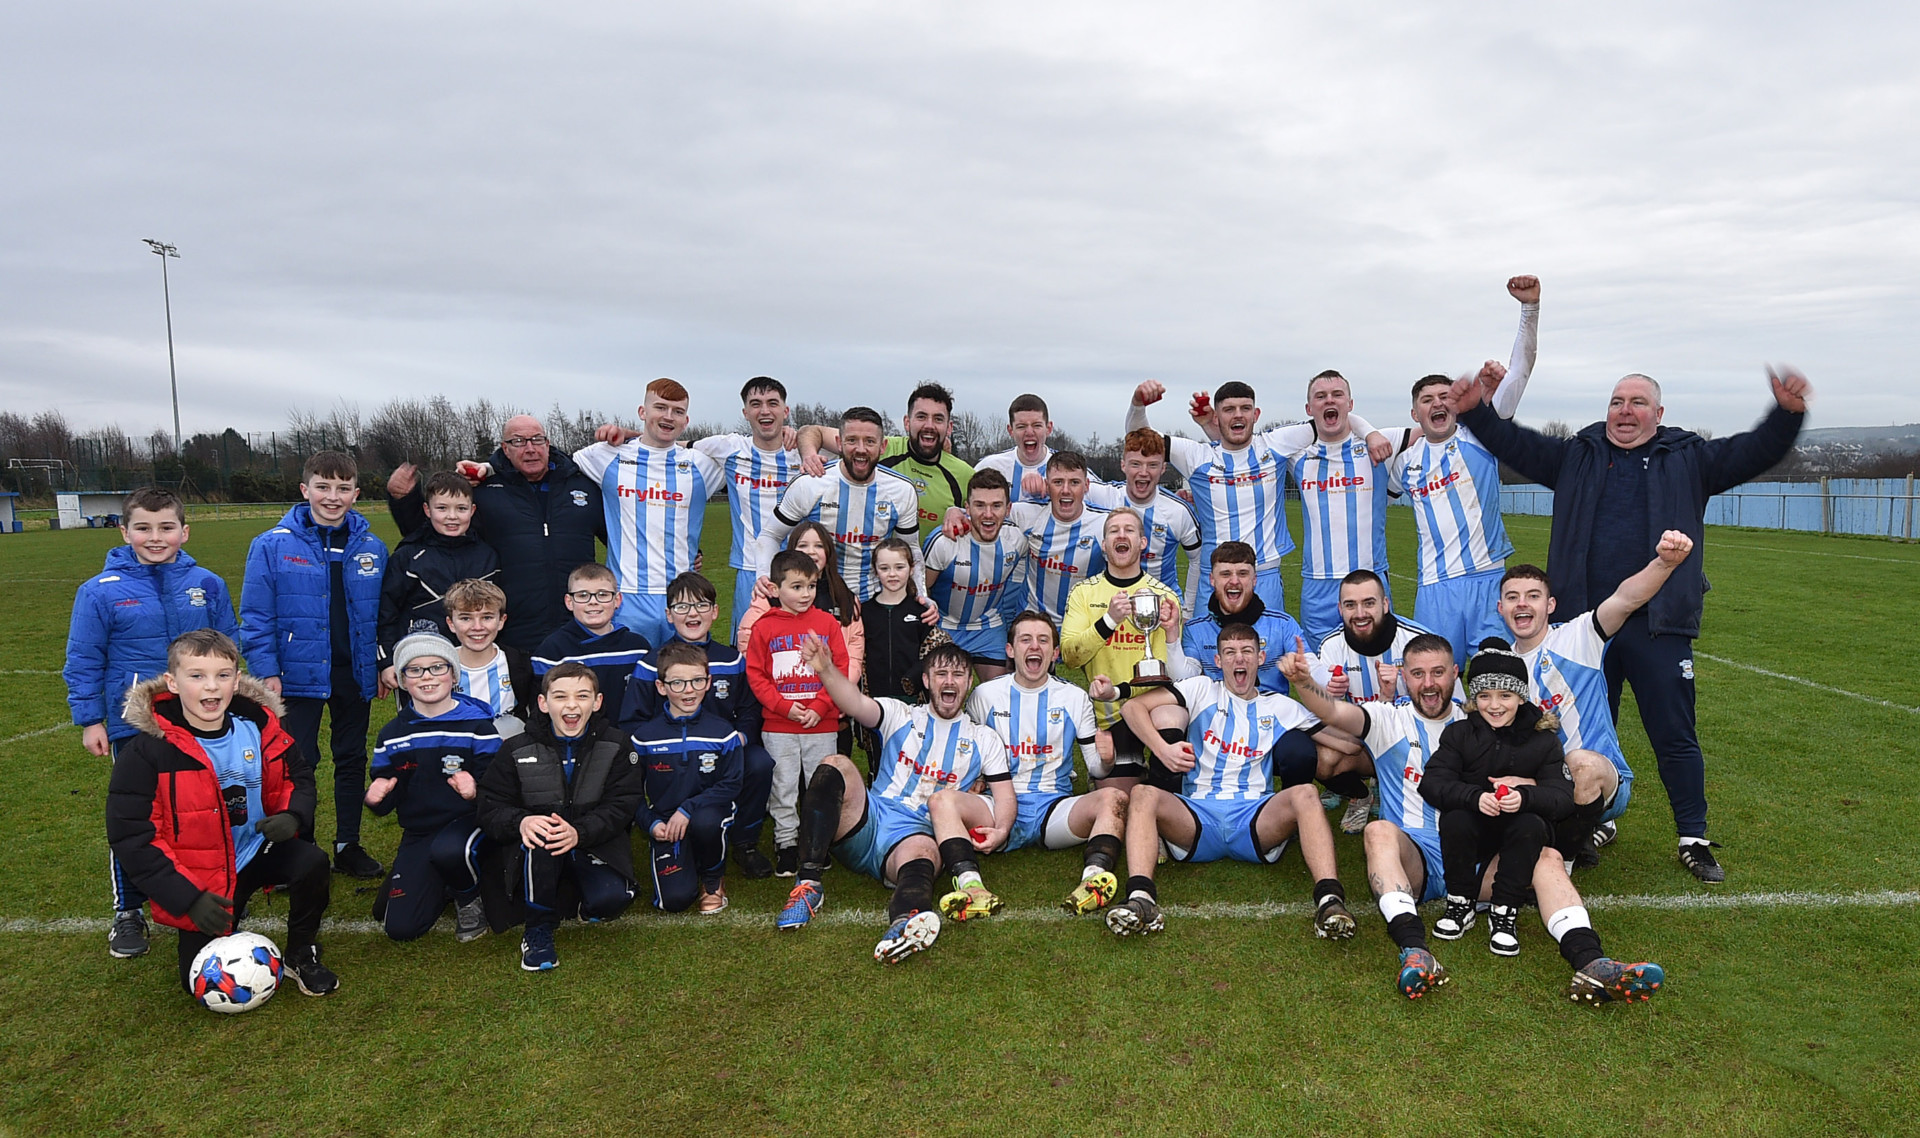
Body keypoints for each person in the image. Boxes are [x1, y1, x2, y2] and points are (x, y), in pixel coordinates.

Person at [1453, 362, 1811, 882]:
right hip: (1583, 627)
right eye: (1617, 402)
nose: (1625, 411)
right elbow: (1517, 444)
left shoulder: (1689, 457)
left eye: (1638, 402)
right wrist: (1477, 411)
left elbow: (1751, 451)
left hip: (1657, 623)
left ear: (1658, 414)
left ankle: (1693, 834)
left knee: (1673, 733)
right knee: (1583, 733)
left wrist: (1786, 416)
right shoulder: (1578, 455)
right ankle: (1591, 819)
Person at [106, 629, 339, 998]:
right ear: (173, 682)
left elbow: (300, 776)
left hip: (254, 852)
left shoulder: (261, 728)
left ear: (237, 679)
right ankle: (217, 919)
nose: (211, 688)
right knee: (196, 983)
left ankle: (301, 951)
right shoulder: (147, 752)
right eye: (197, 676)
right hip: (201, 876)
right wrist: (187, 897)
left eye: (223, 675)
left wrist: (293, 816)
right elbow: (133, 836)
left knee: (311, 861)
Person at [65, 485, 240, 960]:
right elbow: (83, 658)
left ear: (184, 531)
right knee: (139, 817)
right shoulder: (99, 591)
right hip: (135, 724)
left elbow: (229, 646)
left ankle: (206, 887)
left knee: (200, 808)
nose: (155, 537)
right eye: (143, 527)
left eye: (166, 527)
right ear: (124, 531)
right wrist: (90, 719)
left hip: (201, 717)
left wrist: (234, 698)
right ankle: (128, 911)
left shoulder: (207, 582)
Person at [773, 636, 1012, 966]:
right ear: (926, 681)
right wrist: (826, 670)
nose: (949, 681)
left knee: (926, 851)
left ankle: (904, 923)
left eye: (958, 675)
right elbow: (855, 703)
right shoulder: (901, 714)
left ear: (969, 682)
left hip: (912, 841)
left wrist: (1002, 829)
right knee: (835, 764)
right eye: (941, 674)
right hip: (868, 820)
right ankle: (808, 885)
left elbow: (1004, 796)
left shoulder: (983, 739)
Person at [1104, 624, 1348, 939]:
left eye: (1247, 651)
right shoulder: (1201, 688)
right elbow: (1133, 707)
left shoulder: (1280, 706)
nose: (1238, 660)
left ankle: (1330, 901)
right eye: (1230, 653)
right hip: (1196, 817)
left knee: (1305, 794)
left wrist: (1306, 684)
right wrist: (1163, 750)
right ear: (1218, 661)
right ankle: (1141, 898)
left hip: (1255, 818)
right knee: (1143, 794)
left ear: (1261, 658)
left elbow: (1349, 743)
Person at [1496, 531, 1697, 869]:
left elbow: (1625, 599)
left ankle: (1565, 859)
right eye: (1513, 597)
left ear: (1550, 605)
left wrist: (1664, 563)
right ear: (1501, 608)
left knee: (1581, 763)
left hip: (1600, 778)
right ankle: (1563, 836)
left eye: (1533, 596)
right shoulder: (1501, 669)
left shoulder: (1577, 637)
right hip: (1541, 786)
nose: (1523, 604)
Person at [1280, 631, 1465, 998]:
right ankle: (1415, 950)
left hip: (1474, 856)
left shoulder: (1477, 722)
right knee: (1379, 831)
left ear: (1455, 673)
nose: (1428, 684)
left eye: (1438, 673)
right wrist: (1303, 682)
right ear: (1404, 675)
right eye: (1417, 674)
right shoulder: (1387, 720)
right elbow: (1333, 711)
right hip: (1417, 858)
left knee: (1545, 858)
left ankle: (1590, 958)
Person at [240, 450, 388, 881]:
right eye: (323, 487)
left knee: (351, 758)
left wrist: (379, 664)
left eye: (343, 488)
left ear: (356, 494)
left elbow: (381, 616)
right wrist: (267, 670)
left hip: (353, 673)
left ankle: (348, 844)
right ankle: (298, 850)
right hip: (294, 676)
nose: (332, 496)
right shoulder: (271, 545)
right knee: (297, 762)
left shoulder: (371, 548)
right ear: (305, 490)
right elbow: (256, 614)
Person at [1126, 380, 1388, 614]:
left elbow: (1333, 418)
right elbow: (1138, 438)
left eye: (1245, 408)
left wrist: (1371, 433)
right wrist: (1138, 404)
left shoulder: (1274, 444)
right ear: (1216, 418)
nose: (1238, 415)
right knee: (1211, 661)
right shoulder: (1197, 456)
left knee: (1267, 657)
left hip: (1264, 575)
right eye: (1229, 410)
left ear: (1256, 414)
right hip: (1214, 577)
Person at [1386, 275, 1540, 663]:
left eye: (1444, 396)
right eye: (1426, 399)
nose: (1437, 404)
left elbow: (1521, 370)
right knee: (1433, 682)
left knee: (1502, 679)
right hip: (1436, 590)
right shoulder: (1403, 462)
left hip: (1489, 582)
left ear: (1456, 403)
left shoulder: (1480, 437)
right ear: (1415, 413)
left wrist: (1529, 309)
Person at [934, 611, 1127, 919]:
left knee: (1115, 798)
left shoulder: (1074, 697)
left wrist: (1106, 759)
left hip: (1054, 809)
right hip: (995, 805)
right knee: (941, 800)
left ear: (1054, 653)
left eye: (1043, 640)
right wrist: (977, 779)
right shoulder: (985, 695)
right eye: (1025, 640)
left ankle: (1093, 881)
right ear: (1010, 650)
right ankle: (971, 888)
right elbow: (966, 750)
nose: (1034, 647)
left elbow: (1096, 771)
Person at [388, 413, 605, 653]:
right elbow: (436, 534)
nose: (530, 448)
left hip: (580, 626)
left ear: (548, 443)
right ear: (505, 448)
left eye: (536, 439)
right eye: (518, 441)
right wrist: (404, 501)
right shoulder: (484, 491)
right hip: (513, 632)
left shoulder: (584, 486)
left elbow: (622, 537)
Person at [477, 662, 644, 972]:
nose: (571, 705)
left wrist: (580, 832)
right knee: (543, 833)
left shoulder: (617, 744)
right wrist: (522, 822)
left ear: (597, 703)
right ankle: (537, 930)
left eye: (582, 696)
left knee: (612, 900)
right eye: (560, 696)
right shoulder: (516, 748)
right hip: (538, 848)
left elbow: (623, 804)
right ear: (543, 703)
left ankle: (572, 896)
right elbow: (490, 806)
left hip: (593, 842)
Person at [617, 571, 775, 880]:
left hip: (724, 751)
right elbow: (632, 721)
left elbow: (749, 710)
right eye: (682, 606)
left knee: (759, 762)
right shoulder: (652, 664)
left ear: (715, 612)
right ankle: (675, 829)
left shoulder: (732, 660)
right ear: (668, 614)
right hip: (674, 755)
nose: (692, 613)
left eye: (702, 605)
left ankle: (745, 842)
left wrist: (741, 737)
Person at [1419, 641, 1573, 956]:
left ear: (1521, 696)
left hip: (1522, 834)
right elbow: (1432, 783)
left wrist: (1525, 796)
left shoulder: (1544, 739)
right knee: (1456, 817)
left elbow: (1562, 798)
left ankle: (1505, 910)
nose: (1495, 705)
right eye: (1485, 696)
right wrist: (1475, 797)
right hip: (1477, 831)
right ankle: (1460, 903)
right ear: (1474, 699)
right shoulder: (1460, 734)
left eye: (1505, 695)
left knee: (1529, 824)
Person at [365, 634, 501, 943]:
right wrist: (376, 798)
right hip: (420, 832)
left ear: (453, 675)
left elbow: (501, 791)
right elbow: (387, 791)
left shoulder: (478, 726)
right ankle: (438, 880)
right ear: (401, 679)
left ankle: (470, 897)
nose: (427, 677)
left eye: (437, 668)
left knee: (451, 850)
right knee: (400, 928)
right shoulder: (392, 734)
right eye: (415, 670)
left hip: (471, 824)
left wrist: (475, 790)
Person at [570, 378, 726, 646]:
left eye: (677, 411)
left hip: (683, 598)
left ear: (685, 420)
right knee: (629, 682)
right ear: (642, 412)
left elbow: (754, 457)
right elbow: (546, 466)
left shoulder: (702, 465)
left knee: (684, 682)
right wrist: (488, 470)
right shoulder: (606, 456)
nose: (668, 417)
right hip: (625, 598)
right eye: (660, 408)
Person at [1060, 507, 1191, 784]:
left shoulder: (1164, 598)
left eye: (1129, 530)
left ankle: (1164, 790)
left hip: (1153, 712)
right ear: (1105, 545)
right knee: (1118, 804)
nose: (1122, 535)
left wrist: (1170, 633)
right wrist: (1109, 620)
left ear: (1142, 543)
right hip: (1110, 719)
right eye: (1114, 531)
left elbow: (1171, 676)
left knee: (1171, 718)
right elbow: (1070, 656)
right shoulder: (1084, 593)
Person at [746, 550, 853, 877]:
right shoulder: (764, 628)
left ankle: (817, 843)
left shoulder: (826, 623)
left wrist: (821, 706)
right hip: (780, 726)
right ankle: (787, 844)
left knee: (821, 786)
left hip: (821, 725)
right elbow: (756, 675)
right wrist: (783, 707)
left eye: (810, 586)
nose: (805, 594)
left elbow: (841, 667)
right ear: (776, 589)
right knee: (784, 786)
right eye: (796, 586)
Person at [762, 406, 925, 603]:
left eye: (870, 441)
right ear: (839, 443)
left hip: (874, 602)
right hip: (815, 601)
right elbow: (771, 534)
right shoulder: (811, 483)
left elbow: (910, 548)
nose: (861, 449)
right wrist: (763, 578)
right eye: (852, 440)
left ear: (883, 447)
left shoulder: (902, 490)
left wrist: (921, 595)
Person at [630, 641, 747, 914]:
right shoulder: (644, 736)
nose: (688, 690)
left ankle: (713, 878)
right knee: (674, 901)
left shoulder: (723, 733)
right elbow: (628, 790)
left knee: (706, 822)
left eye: (697, 681)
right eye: (678, 683)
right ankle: (688, 855)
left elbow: (731, 784)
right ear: (661, 687)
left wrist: (688, 808)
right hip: (667, 821)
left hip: (708, 811)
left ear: (708, 683)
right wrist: (651, 823)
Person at [690, 377, 803, 631]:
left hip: (800, 568)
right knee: (749, 645)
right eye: (756, 404)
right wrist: (629, 435)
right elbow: (670, 444)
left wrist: (807, 435)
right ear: (745, 413)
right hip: (750, 570)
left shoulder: (802, 450)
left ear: (785, 411)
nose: (764, 410)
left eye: (772, 403)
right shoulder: (729, 447)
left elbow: (844, 442)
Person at [377, 470, 500, 690]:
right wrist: (386, 661)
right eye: (442, 508)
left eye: (461, 509)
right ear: (427, 510)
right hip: (421, 664)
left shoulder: (487, 555)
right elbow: (387, 613)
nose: (452, 516)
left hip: (477, 664)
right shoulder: (408, 556)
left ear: (472, 511)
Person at [799, 384, 976, 532]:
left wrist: (959, 512)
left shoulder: (964, 474)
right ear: (907, 422)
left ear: (949, 427)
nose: (929, 425)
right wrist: (809, 456)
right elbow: (813, 431)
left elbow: (984, 517)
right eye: (921, 417)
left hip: (928, 570)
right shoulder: (878, 447)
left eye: (938, 419)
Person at [923, 469, 1026, 680]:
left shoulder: (1016, 540)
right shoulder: (945, 542)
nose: (988, 514)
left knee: (998, 695)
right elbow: (922, 590)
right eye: (980, 505)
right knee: (943, 693)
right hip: (945, 626)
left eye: (996, 506)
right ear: (967, 508)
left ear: (1008, 509)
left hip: (988, 628)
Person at [1180, 541, 1306, 696]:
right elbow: (1184, 680)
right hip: (1219, 716)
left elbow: (1311, 667)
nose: (1234, 581)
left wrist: (1304, 668)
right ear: (1212, 580)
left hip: (1272, 716)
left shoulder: (1282, 625)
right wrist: (1172, 638)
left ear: (1254, 580)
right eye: (1225, 574)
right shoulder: (1194, 630)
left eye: (1242, 574)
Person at [1000, 450, 1110, 622]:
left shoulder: (1104, 524)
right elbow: (983, 515)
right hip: (1032, 621)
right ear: (1047, 485)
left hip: (1081, 624)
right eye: (1058, 482)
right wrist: (956, 513)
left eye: (1074, 482)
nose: (1066, 490)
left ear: (1087, 486)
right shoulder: (1029, 514)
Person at [1111, 429, 1202, 613]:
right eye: (1136, 464)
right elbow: (1068, 479)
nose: (1143, 472)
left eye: (1152, 465)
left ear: (1163, 468)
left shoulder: (1179, 511)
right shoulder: (1105, 497)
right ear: (1123, 465)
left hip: (1163, 610)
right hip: (1113, 607)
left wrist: (1188, 610)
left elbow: (1198, 559)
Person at [533, 563, 652, 698]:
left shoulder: (637, 648)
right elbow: (543, 706)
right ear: (569, 602)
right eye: (583, 595)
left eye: (603, 594)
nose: (593, 602)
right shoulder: (552, 650)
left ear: (617, 600)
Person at [441, 578, 535, 738]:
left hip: (506, 748)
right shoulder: (439, 666)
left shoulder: (519, 664)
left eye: (487, 617)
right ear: (451, 623)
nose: (477, 627)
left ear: (501, 621)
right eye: (465, 618)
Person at [864, 537, 937, 701]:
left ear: (911, 569)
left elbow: (932, 653)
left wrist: (914, 679)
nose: (892, 574)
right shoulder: (864, 612)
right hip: (874, 699)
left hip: (912, 699)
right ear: (875, 571)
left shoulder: (922, 613)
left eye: (899, 567)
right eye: (884, 568)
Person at [976, 393, 1055, 504]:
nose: (1029, 432)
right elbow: (968, 506)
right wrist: (954, 510)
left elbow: (1086, 509)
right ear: (1010, 430)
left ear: (1049, 428)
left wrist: (1051, 491)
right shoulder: (990, 467)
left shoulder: (1069, 470)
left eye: (1037, 425)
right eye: (1021, 426)